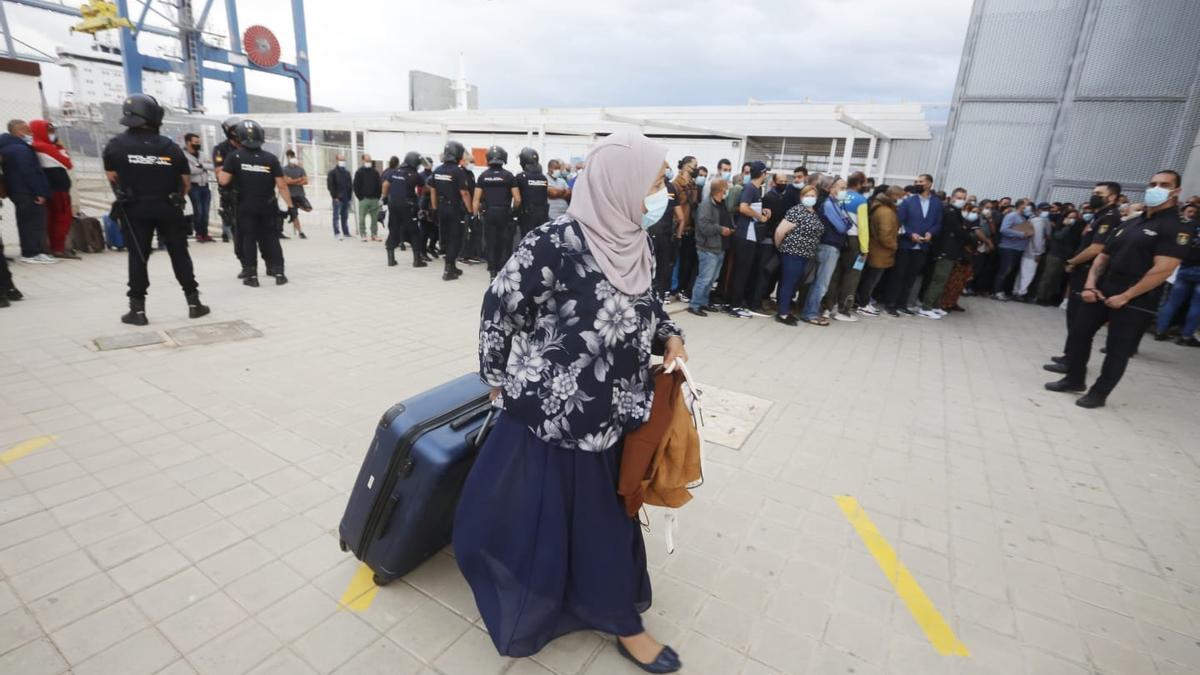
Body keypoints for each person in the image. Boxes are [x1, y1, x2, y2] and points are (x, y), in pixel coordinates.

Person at [459, 129, 686, 673]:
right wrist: (494, 377)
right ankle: (623, 623)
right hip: (555, 413)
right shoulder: (555, 242)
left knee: (599, 515)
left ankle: (603, 604)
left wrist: (670, 336)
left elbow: (647, 306)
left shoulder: (638, 240)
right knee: (577, 520)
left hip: (619, 411)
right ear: (619, 183)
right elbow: (500, 306)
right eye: (657, 182)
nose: (665, 193)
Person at [1046, 171, 1190, 408]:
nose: (1156, 188)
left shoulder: (1176, 227)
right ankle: (1074, 379)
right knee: (1079, 333)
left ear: (1176, 191)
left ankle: (1099, 393)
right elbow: (1103, 256)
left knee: (1117, 348)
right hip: (1104, 286)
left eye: (1164, 185)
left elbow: (1163, 269)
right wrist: (1091, 284)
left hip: (1137, 295)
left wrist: (1126, 296)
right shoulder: (1133, 221)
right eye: (1153, 184)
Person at [103, 94, 209, 324]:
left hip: (134, 208)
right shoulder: (170, 147)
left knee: (138, 257)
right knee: (179, 254)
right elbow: (185, 182)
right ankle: (194, 303)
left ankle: (137, 310)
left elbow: (112, 177)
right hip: (168, 207)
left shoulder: (115, 146)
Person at [1046, 183, 1123, 365]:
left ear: (1112, 197)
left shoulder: (1110, 217)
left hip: (1088, 273)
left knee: (1079, 321)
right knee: (1073, 318)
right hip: (1081, 271)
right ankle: (1069, 355)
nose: (1093, 196)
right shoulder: (1100, 215)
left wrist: (1072, 262)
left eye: (1099, 193)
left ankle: (1073, 362)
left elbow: (1097, 248)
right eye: (1093, 192)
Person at [218, 119, 294, 287]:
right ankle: (279, 272)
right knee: (271, 237)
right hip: (268, 205)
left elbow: (223, 180)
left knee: (248, 238)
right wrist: (291, 206)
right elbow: (281, 185)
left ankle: (251, 276)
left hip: (245, 205)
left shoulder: (234, 157)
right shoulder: (271, 158)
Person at [885, 174, 943, 316]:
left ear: (929, 184)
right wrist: (910, 234)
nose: (917, 183)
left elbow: (938, 223)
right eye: (916, 181)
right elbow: (901, 222)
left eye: (921, 182)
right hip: (906, 244)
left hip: (923, 246)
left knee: (911, 276)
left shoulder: (936, 203)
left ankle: (902, 304)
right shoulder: (908, 202)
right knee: (898, 275)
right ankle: (891, 304)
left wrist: (930, 233)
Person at [0, 120, 54, 263]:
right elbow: (29, 172)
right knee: (33, 223)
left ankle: (34, 252)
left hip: (18, 190)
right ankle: (31, 253)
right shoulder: (20, 150)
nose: (31, 134)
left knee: (27, 222)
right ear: (19, 132)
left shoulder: (9, 147)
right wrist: (39, 192)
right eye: (28, 131)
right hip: (27, 191)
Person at [919, 188, 976, 319]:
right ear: (952, 197)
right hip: (945, 250)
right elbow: (958, 232)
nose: (961, 200)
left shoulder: (956, 212)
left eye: (963, 198)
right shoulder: (950, 212)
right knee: (939, 279)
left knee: (943, 280)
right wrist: (968, 234)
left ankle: (934, 305)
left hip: (951, 251)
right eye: (959, 197)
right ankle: (926, 306)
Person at [821, 171, 870, 321]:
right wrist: (865, 248)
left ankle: (828, 307)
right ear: (860, 183)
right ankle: (844, 310)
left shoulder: (839, 196)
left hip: (839, 239)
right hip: (855, 242)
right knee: (853, 275)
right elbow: (863, 226)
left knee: (834, 273)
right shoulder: (861, 200)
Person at [800, 175, 849, 325]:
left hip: (831, 247)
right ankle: (810, 313)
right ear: (832, 189)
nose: (844, 191)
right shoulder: (829, 204)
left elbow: (846, 224)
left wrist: (845, 222)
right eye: (841, 188)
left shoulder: (836, 204)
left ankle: (810, 311)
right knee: (822, 283)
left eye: (845, 188)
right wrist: (845, 222)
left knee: (820, 282)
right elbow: (842, 227)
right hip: (828, 247)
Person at [774, 184, 825, 325]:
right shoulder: (796, 211)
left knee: (794, 283)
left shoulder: (814, 213)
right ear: (802, 197)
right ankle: (782, 313)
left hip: (806, 255)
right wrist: (780, 247)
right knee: (788, 282)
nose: (810, 198)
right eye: (807, 195)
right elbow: (780, 231)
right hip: (792, 253)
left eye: (813, 196)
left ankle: (786, 309)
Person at [728, 161, 772, 319]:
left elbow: (751, 207)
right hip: (745, 235)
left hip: (750, 236)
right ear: (763, 174)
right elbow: (743, 207)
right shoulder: (750, 188)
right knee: (741, 272)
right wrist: (760, 216)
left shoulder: (756, 189)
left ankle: (735, 303)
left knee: (743, 272)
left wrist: (763, 210)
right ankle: (734, 306)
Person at [28, 120, 76, 259]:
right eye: (49, 131)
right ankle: (58, 248)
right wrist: (60, 149)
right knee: (62, 219)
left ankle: (50, 247)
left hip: (48, 188)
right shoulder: (45, 147)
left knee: (50, 219)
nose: (53, 134)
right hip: (59, 189)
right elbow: (67, 163)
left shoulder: (34, 146)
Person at [1153, 206, 1200, 346]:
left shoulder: (1191, 226)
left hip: (1185, 268)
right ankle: (1186, 337)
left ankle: (1160, 331)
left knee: (1172, 302)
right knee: (1196, 305)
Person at [474, 145, 521, 278]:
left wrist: (475, 215)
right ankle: (502, 270)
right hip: (504, 213)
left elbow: (476, 199)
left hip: (489, 213)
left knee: (490, 242)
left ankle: (492, 271)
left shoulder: (483, 176)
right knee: (504, 241)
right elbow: (517, 199)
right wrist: (513, 211)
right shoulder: (509, 176)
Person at [688, 177, 732, 316]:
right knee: (705, 278)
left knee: (712, 279)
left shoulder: (722, 203)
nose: (727, 191)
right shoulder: (706, 205)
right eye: (726, 188)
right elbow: (703, 226)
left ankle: (704, 302)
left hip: (719, 248)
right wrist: (721, 229)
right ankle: (694, 305)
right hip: (708, 249)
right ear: (720, 190)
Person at [857, 185, 904, 315]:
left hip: (875, 248)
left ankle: (863, 302)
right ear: (894, 196)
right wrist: (894, 245)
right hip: (880, 251)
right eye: (901, 197)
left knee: (868, 277)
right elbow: (885, 234)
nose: (903, 200)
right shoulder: (886, 212)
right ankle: (863, 304)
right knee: (872, 279)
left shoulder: (877, 206)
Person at [430, 140, 473, 280]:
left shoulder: (437, 170)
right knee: (456, 239)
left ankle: (452, 266)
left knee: (447, 238)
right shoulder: (458, 171)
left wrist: (435, 209)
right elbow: (464, 193)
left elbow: (433, 191)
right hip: (455, 209)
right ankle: (448, 270)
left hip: (442, 208)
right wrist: (470, 210)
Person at [940, 201, 989, 312]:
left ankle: (953, 302)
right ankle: (945, 303)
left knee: (962, 282)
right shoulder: (960, 222)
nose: (974, 214)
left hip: (969, 256)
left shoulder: (973, 223)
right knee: (953, 281)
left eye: (976, 212)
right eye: (971, 211)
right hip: (959, 255)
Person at [384, 151, 426, 268]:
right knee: (414, 231)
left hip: (393, 204)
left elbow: (386, 185)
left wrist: (385, 197)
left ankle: (391, 259)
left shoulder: (394, 172)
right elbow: (423, 188)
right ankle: (417, 261)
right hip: (408, 205)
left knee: (394, 229)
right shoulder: (414, 175)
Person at [991, 198, 1033, 300]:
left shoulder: (1023, 218)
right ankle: (997, 291)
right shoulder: (1012, 216)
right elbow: (1004, 229)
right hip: (1008, 248)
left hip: (1017, 249)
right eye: (1027, 205)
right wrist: (1022, 234)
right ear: (1021, 205)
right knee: (1004, 270)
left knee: (1009, 272)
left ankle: (1002, 291)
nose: (1029, 207)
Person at [1037, 207, 1080, 305]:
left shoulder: (1076, 230)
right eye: (1070, 217)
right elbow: (1058, 236)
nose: (1072, 220)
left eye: (1074, 218)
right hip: (1055, 255)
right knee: (1048, 277)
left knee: (1056, 279)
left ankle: (1048, 297)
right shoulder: (1060, 227)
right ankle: (1041, 297)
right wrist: (1067, 226)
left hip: (1066, 257)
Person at [212, 117, 241, 246]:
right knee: (234, 224)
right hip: (230, 191)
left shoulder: (247, 147)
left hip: (248, 190)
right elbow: (219, 172)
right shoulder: (221, 149)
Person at [1013, 202, 1050, 299]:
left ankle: (1017, 291)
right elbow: (1037, 238)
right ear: (1037, 210)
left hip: (1025, 249)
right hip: (1032, 252)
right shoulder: (1039, 221)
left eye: (1047, 210)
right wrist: (1038, 253)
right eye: (1043, 210)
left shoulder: (1031, 219)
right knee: (1028, 273)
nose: (1046, 212)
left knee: (1022, 272)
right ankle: (1021, 293)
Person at [183, 133, 214, 243]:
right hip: (194, 187)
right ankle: (199, 233)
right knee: (198, 211)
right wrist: (203, 167)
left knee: (206, 211)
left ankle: (205, 233)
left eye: (199, 142)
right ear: (188, 142)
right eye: (195, 142)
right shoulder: (184, 155)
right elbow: (189, 170)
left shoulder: (202, 154)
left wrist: (201, 166)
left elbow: (212, 166)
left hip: (205, 186)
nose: (198, 144)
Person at [516, 147, 550, 237]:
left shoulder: (521, 177)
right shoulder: (543, 177)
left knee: (527, 239)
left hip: (527, 215)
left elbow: (517, 198)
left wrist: (514, 212)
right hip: (543, 214)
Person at [281, 149, 310, 239]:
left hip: (300, 194)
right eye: (290, 157)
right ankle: (300, 231)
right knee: (294, 214)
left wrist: (292, 181)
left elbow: (306, 181)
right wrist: (299, 179)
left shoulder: (300, 169)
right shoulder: (284, 169)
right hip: (290, 195)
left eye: (292, 157)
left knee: (308, 208)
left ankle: (288, 213)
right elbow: (286, 181)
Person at [354, 154, 382, 242]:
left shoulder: (375, 172)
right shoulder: (359, 172)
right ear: (363, 161)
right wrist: (360, 197)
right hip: (364, 199)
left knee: (374, 218)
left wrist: (377, 196)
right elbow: (356, 186)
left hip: (374, 199)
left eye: (369, 161)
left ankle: (374, 234)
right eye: (367, 161)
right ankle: (363, 234)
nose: (368, 162)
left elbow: (379, 184)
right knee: (362, 217)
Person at [327, 154, 352, 239]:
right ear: (337, 160)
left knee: (345, 216)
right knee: (336, 216)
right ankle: (337, 233)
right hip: (338, 198)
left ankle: (346, 232)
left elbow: (350, 185)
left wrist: (349, 197)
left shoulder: (347, 173)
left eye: (344, 160)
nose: (343, 162)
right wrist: (335, 196)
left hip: (346, 198)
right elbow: (330, 186)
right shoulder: (332, 173)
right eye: (341, 160)